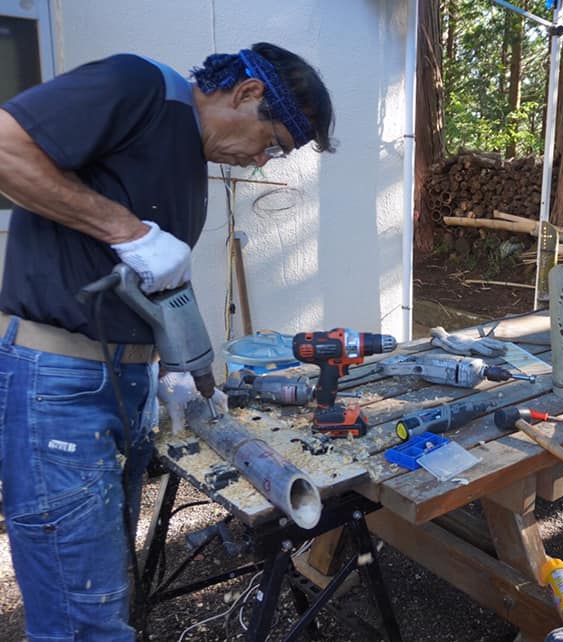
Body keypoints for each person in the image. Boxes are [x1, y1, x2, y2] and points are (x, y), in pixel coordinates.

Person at [0, 43, 334, 640]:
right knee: (84, 619)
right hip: (59, 384)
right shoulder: (139, 87)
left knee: (106, 588)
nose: (262, 162)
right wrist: (124, 229)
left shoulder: (185, 155)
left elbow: (155, 282)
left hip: (119, 381)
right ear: (248, 93)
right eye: (274, 143)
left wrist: (180, 366)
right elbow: (5, 145)